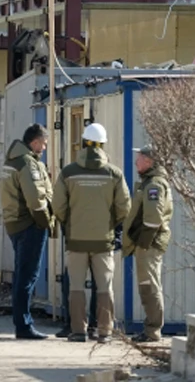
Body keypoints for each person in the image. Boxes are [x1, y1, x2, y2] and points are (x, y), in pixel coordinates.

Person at [52, 123, 130, 343]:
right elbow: (124, 206)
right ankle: (104, 331)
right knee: (104, 287)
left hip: (76, 239)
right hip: (103, 240)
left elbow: (58, 205)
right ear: (103, 145)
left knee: (76, 287)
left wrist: (69, 223)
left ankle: (78, 331)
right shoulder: (114, 173)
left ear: (84, 143)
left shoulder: (68, 172)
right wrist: (110, 225)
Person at [1, 123, 55, 340]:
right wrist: (45, 221)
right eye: (43, 143)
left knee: (22, 274)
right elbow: (35, 198)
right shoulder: (27, 164)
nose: (44, 147)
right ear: (34, 142)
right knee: (27, 276)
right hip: (29, 225)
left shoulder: (14, 159)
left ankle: (22, 322)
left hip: (15, 223)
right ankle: (23, 325)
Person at [122, 143, 174, 343]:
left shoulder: (153, 185)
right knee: (147, 284)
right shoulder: (149, 182)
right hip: (146, 243)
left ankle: (152, 330)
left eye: (140, 157)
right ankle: (151, 327)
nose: (136, 161)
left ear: (149, 161)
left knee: (149, 285)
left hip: (149, 244)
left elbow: (153, 218)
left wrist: (142, 243)